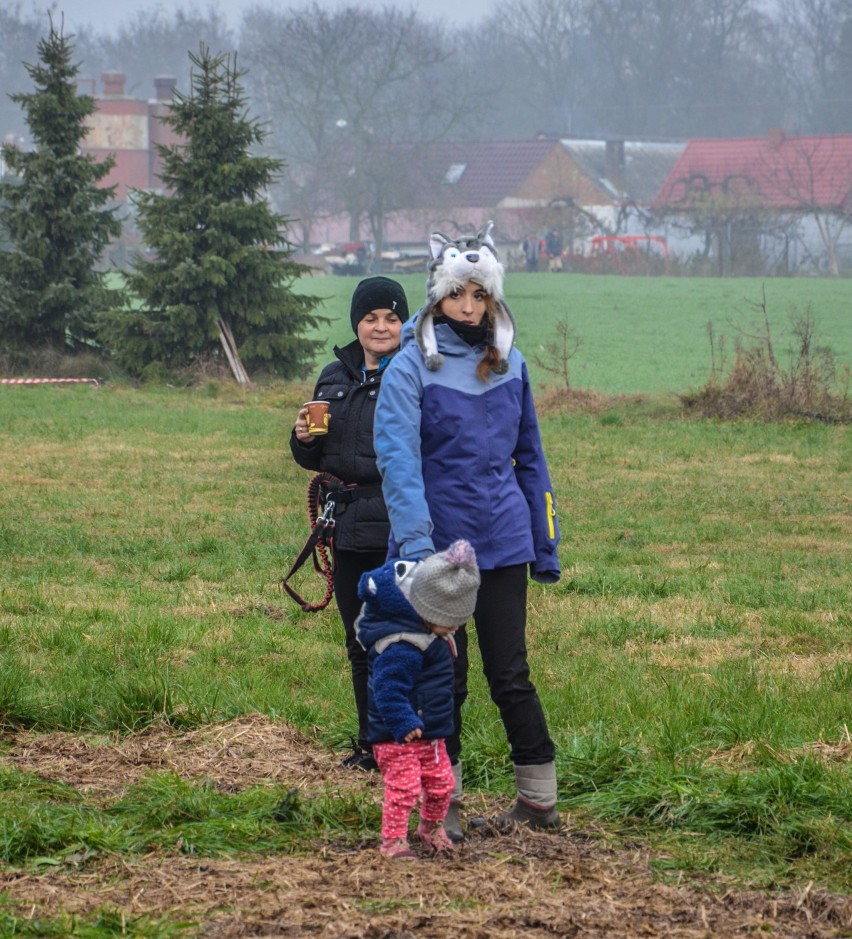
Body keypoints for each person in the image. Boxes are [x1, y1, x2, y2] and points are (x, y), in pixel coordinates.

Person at [373, 222, 562, 840]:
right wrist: (417, 549)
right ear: (438, 296)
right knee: (440, 679)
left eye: (480, 295)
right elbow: (399, 463)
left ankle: (538, 799)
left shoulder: (512, 363)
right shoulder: (409, 369)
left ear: (492, 298)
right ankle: (442, 805)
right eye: (458, 294)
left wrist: (545, 540)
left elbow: (532, 459)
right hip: (439, 549)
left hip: (504, 541)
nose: (469, 306)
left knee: (510, 673)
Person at [290, 275, 409, 771]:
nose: (380, 327)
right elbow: (311, 455)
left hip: (398, 527)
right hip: (344, 525)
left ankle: (402, 746)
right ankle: (369, 745)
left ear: (405, 324)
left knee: (394, 644)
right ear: (356, 324)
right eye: (370, 318)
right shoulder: (333, 376)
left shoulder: (416, 374)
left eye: (391, 317)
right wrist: (301, 437)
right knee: (359, 640)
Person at [355, 540, 481, 859]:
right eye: (449, 619)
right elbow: (387, 689)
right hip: (398, 735)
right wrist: (404, 721)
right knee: (405, 788)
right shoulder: (402, 646)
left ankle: (431, 827)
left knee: (442, 785)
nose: (455, 627)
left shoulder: (432, 634)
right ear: (426, 609)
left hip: (431, 732)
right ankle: (393, 840)